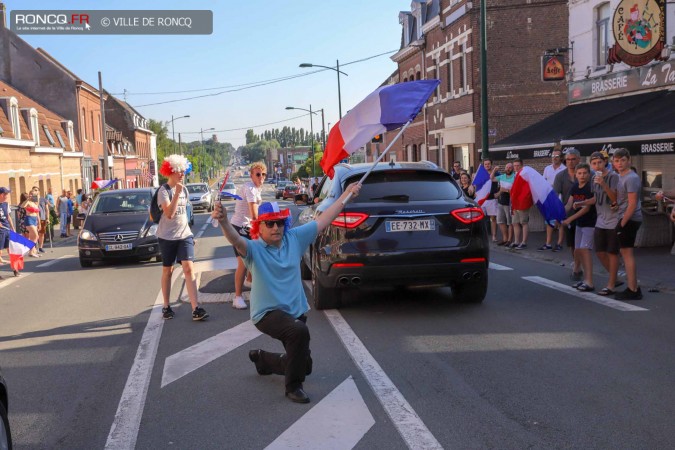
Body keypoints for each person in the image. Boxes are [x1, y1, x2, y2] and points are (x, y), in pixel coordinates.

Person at [212, 183, 362, 403]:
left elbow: (323, 220)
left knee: (305, 365)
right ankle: (293, 387)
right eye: (270, 223)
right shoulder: (253, 249)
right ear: (259, 227)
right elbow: (235, 240)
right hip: (268, 314)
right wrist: (224, 221)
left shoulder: (294, 238)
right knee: (298, 332)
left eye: (280, 222)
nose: (276, 228)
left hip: (295, 312)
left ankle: (263, 360)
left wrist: (347, 195)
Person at [156, 154, 209, 321]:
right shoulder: (163, 191)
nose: (182, 174)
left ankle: (196, 308)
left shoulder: (185, 189)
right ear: (170, 171)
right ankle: (166, 306)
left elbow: (184, 215)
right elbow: (170, 214)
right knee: (168, 270)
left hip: (184, 235)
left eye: (183, 171)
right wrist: (177, 193)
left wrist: (190, 234)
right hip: (166, 236)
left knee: (189, 268)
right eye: (178, 171)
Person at [229, 161, 266, 310]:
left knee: (255, 256)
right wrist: (264, 228)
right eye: (258, 174)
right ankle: (237, 297)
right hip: (239, 228)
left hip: (247, 227)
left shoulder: (257, 188)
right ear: (251, 175)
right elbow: (254, 214)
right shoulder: (250, 188)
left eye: (263, 174)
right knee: (243, 263)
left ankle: (249, 280)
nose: (261, 177)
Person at [612, 148, 643, 300]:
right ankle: (633, 287)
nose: (620, 163)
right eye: (617, 161)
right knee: (625, 254)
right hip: (623, 217)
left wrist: (622, 223)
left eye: (623, 160)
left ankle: (633, 289)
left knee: (627, 254)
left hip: (630, 219)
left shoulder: (631, 178)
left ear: (629, 160)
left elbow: (632, 204)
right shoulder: (620, 176)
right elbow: (620, 200)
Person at [562, 163, 597, 291]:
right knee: (577, 250)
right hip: (579, 223)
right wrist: (560, 214)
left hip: (589, 223)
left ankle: (589, 281)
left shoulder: (589, 188)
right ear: (575, 175)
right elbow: (569, 204)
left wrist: (569, 219)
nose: (582, 176)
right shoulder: (575, 187)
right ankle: (582, 276)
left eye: (585, 173)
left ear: (589, 174)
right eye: (580, 173)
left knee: (584, 250)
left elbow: (586, 209)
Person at [554, 148, 582, 278]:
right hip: (569, 213)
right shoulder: (560, 176)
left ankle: (578, 268)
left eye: (573, 159)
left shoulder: (586, 174)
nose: (570, 162)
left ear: (579, 159)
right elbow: (555, 195)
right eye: (568, 159)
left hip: (586, 213)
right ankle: (577, 265)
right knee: (572, 243)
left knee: (583, 243)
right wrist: (556, 214)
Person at [539, 148, 566, 251]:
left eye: (557, 156)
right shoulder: (547, 168)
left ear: (561, 157)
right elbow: (543, 182)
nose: (554, 158)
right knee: (548, 221)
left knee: (560, 221)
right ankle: (548, 243)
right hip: (549, 198)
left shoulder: (564, 169)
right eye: (553, 156)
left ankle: (559, 244)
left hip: (560, 198)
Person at [492, 162, 515, 247]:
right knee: (501, 221)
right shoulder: (502, 176)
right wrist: (494, 170)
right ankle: (505, 239)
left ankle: (509, 240)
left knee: (510, 222)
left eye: (510, 167)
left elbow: (515, 190)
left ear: (512, 169)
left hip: (509, 203)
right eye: (507, 167)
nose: (508, 169)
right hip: (500, 202)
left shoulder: (515, 177)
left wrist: (504, 190)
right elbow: (491, 178)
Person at [0, 187, 20, 277]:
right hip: (0, 231)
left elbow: (8, 217)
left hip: (7, 229)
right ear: (1, 195)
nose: (7, 196)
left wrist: (13, 228)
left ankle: (15, 269)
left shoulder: (6, 204)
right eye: (6, 194)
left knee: (11, 250)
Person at [510, 159, 529, 249]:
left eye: (518, 165)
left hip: (522, 202)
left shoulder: (524, 175)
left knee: (524, 222)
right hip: (515, 202)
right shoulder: (514, 175)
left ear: (521, 165)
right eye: (515, 166)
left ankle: (524, 242)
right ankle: (516, 241)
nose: (516, 167)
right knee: (515, 222)